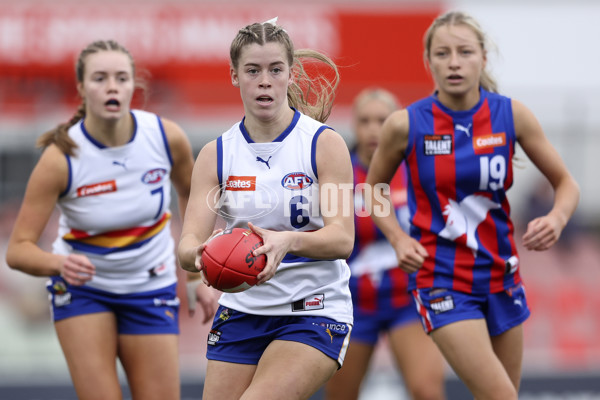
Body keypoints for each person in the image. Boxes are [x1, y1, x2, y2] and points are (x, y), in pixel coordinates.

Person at [365, 11, 580, 400]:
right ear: (429, 62)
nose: (454, 62)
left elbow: (566, 184)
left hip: (503, 274)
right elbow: (373, 189)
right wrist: (397, 239)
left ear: (483, 56)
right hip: (441, 278)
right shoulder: (405, 124)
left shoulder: (510, 115)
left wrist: (557, 217)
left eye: (464, 51)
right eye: (443, 53)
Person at [4, 39, 210, 400]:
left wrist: (194, 275)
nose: (112, 86)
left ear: (134, 86)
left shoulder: (165, 137)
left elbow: (193, 196)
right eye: (100, 78)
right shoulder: (60, 157)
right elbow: (18, 251)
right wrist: (58, 263)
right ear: (82, 88)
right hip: (85, 293)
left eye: (121, 77)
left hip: (151, 289)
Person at [178, 19, 355, 400]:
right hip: (242, 309)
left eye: (275, 70)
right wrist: (200, 255)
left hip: (313, 308)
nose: (264, 81)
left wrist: (286, 241)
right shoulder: (216, 154)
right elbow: (186, 244)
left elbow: (342, 239)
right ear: (234, 75)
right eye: (252, 70)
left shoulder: (324, 144)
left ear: (290, 74)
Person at [325, 88, 446, 400]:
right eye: (364, 121)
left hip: (408, 301)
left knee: (427, 390)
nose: (373, 129)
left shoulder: (418, 170)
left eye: (382, 120)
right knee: (340, 394)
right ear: (353, 124)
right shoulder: (337, 174)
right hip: (351, 305)